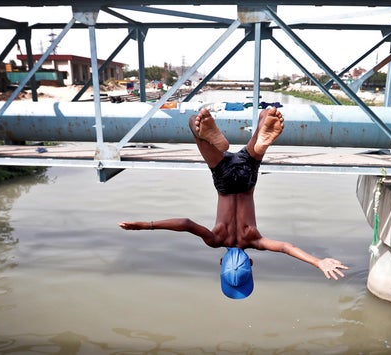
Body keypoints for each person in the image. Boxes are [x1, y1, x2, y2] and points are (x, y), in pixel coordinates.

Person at [119, 107, 348, 299]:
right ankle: (210, 136)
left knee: (265, 117)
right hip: (223, 178)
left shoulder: (255, 240)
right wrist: (147, 225)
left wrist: (318, 262)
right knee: (193, 122)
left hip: (248, 177)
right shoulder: (216, 239)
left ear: (251, 262)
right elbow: (186, 223)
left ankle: (260, 138)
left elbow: (287, 248)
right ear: (221, 261)